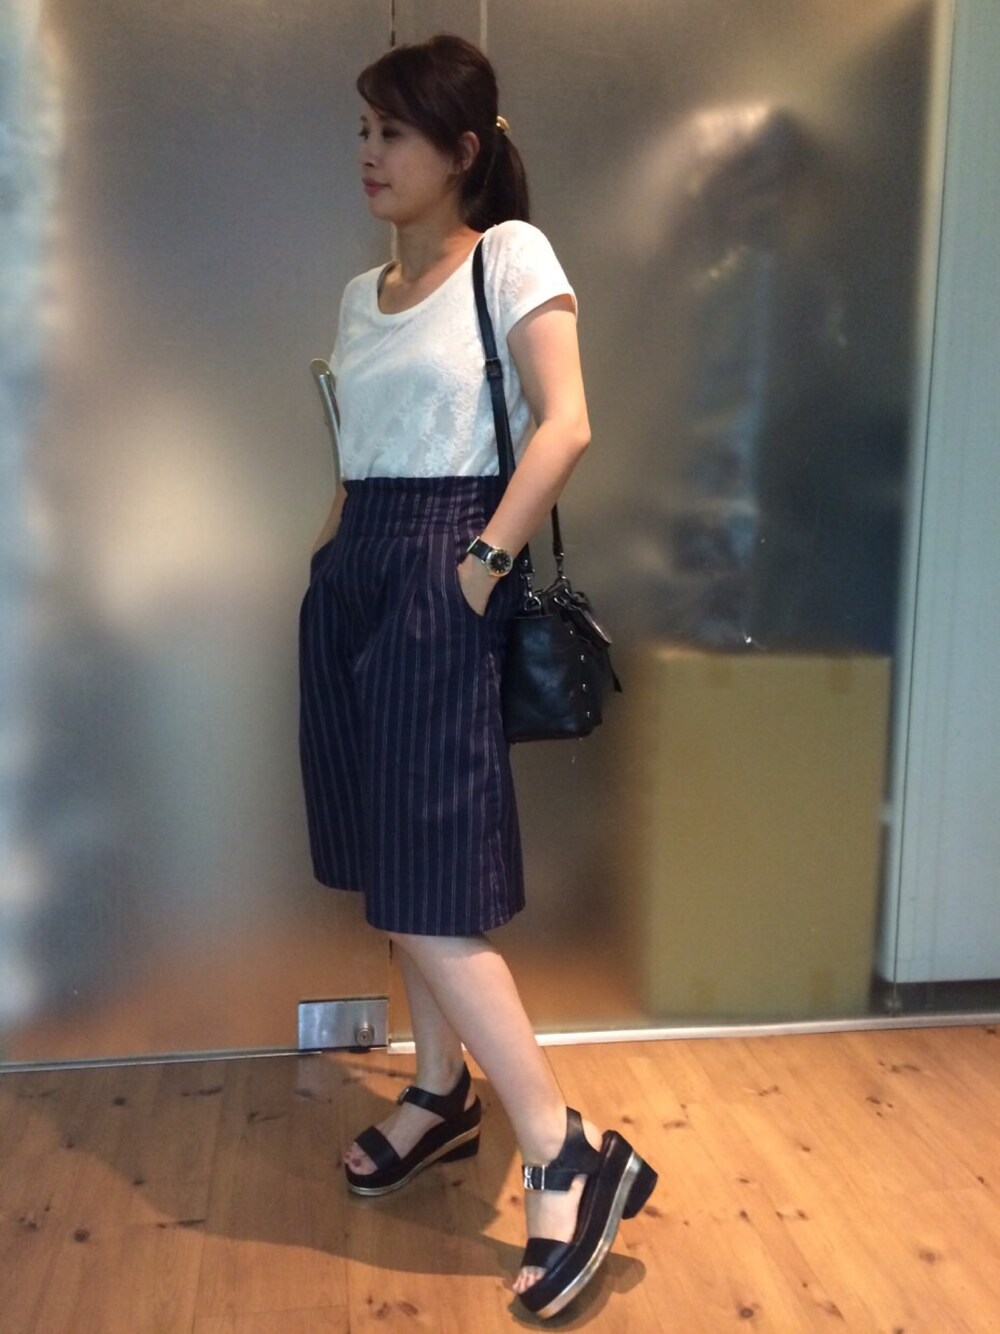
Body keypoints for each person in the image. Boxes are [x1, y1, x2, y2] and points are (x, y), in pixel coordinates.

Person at [298, 33, 656, 1319]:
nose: (367, 152)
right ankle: (442, 1091)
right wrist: (331, 555)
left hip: (448, 565)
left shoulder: (510, 256)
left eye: (391, 132)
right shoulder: (362, 293)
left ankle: (564, 1148)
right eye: (361, 128)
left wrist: (481, 563)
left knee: (433, 878)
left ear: (461, 150)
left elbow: (567, 421)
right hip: (358, 572)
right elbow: (361, 446)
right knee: (386, 859)